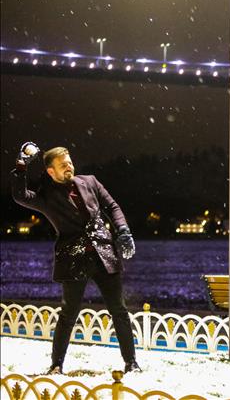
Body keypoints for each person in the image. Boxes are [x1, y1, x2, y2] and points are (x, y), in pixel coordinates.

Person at [10, 143, 140, 374]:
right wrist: (21, 166)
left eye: (69, 163)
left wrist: (123, 230)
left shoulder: (90, 181)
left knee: (119, 311)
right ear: (51, 171)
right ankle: (56, 365)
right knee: (69, 314)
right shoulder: (46, 195)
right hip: (73, 259)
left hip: (104, 254)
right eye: (63, 165)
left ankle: (131, 363)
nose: (69, 167)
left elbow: (112, 206)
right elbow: (20, 195)